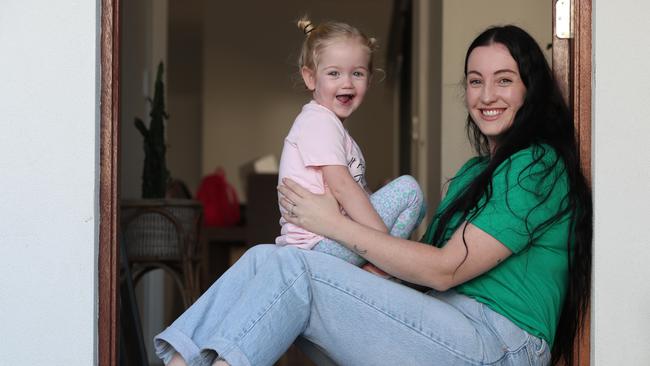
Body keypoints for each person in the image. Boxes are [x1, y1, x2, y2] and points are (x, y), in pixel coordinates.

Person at [154, 25, 592, 366]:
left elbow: (442, 271)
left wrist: (332, 225)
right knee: (266, 259)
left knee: (294, 272)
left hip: (498, 345)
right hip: (448, 323)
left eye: (504, 81)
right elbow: (422, 274)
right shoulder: (475, 173)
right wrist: (368, 265)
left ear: (529, 89)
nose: (487, 95)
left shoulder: (539, 165)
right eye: (476, 82)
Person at [276, 17, 426, 267]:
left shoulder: (330, 126)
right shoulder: (319, 122)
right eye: (334, 73)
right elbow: (342, 186)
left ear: (368, 79)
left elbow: (355, 189)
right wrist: (382, 242)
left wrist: (374, 197)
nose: (347, 83)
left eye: (357, 73)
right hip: (319, 243)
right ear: (311, 78)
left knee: (417, 207)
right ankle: (383, 267)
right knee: (409, 190)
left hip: (329, 239)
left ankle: (378, 267)